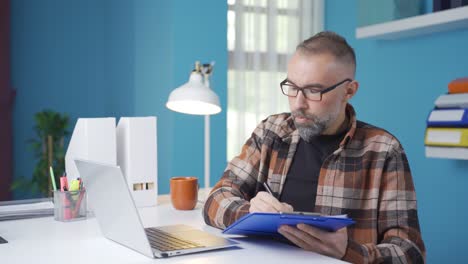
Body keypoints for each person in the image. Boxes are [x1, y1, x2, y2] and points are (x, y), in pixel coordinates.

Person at [203, 31, 425, 263]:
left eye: (313, 91)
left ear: (349, 91)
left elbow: (410, 253)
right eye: (292, 87)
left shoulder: (383, 150)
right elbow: (215, 200)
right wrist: (250, 213)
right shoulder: (271, 131)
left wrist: (347, 252)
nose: (298, 104)